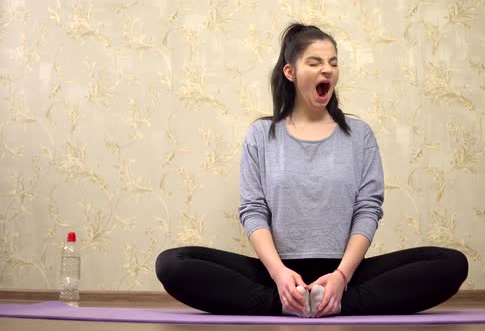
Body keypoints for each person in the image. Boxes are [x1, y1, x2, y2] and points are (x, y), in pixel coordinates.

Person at [156, 23, 468, 317]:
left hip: (345, 273)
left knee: (451, 264)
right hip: (277, 275)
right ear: (290, 72)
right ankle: (290, 302)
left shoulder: (359, 135)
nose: (327, 69)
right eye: (315, 62)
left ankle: (332, 298)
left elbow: (368, 209)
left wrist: (342, 276)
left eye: (333, 62)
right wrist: (279, 275)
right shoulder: (261, 135)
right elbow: (253, 210)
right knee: (173, 264)